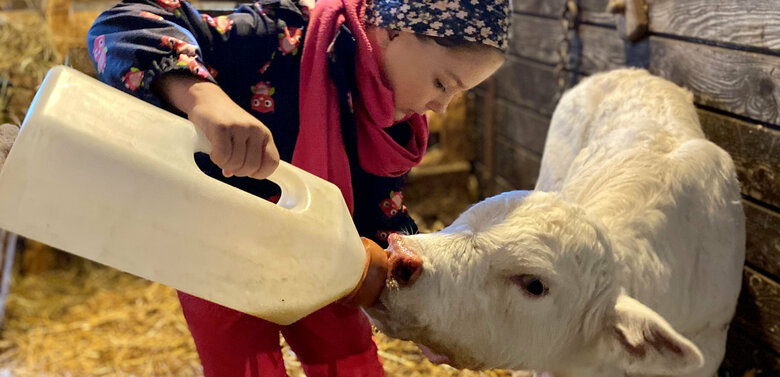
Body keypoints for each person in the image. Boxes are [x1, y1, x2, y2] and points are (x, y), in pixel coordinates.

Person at [86, 0, 510, 375]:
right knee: (241, 360)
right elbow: (122, 24)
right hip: (219, 255)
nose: (441, 106)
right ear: (394, 31)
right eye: (442, 84)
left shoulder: (392, 121)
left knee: (349, 354)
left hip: (320, 255)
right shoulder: (277, 38)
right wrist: (203, 100)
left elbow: (380, 211)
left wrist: (424, 307)